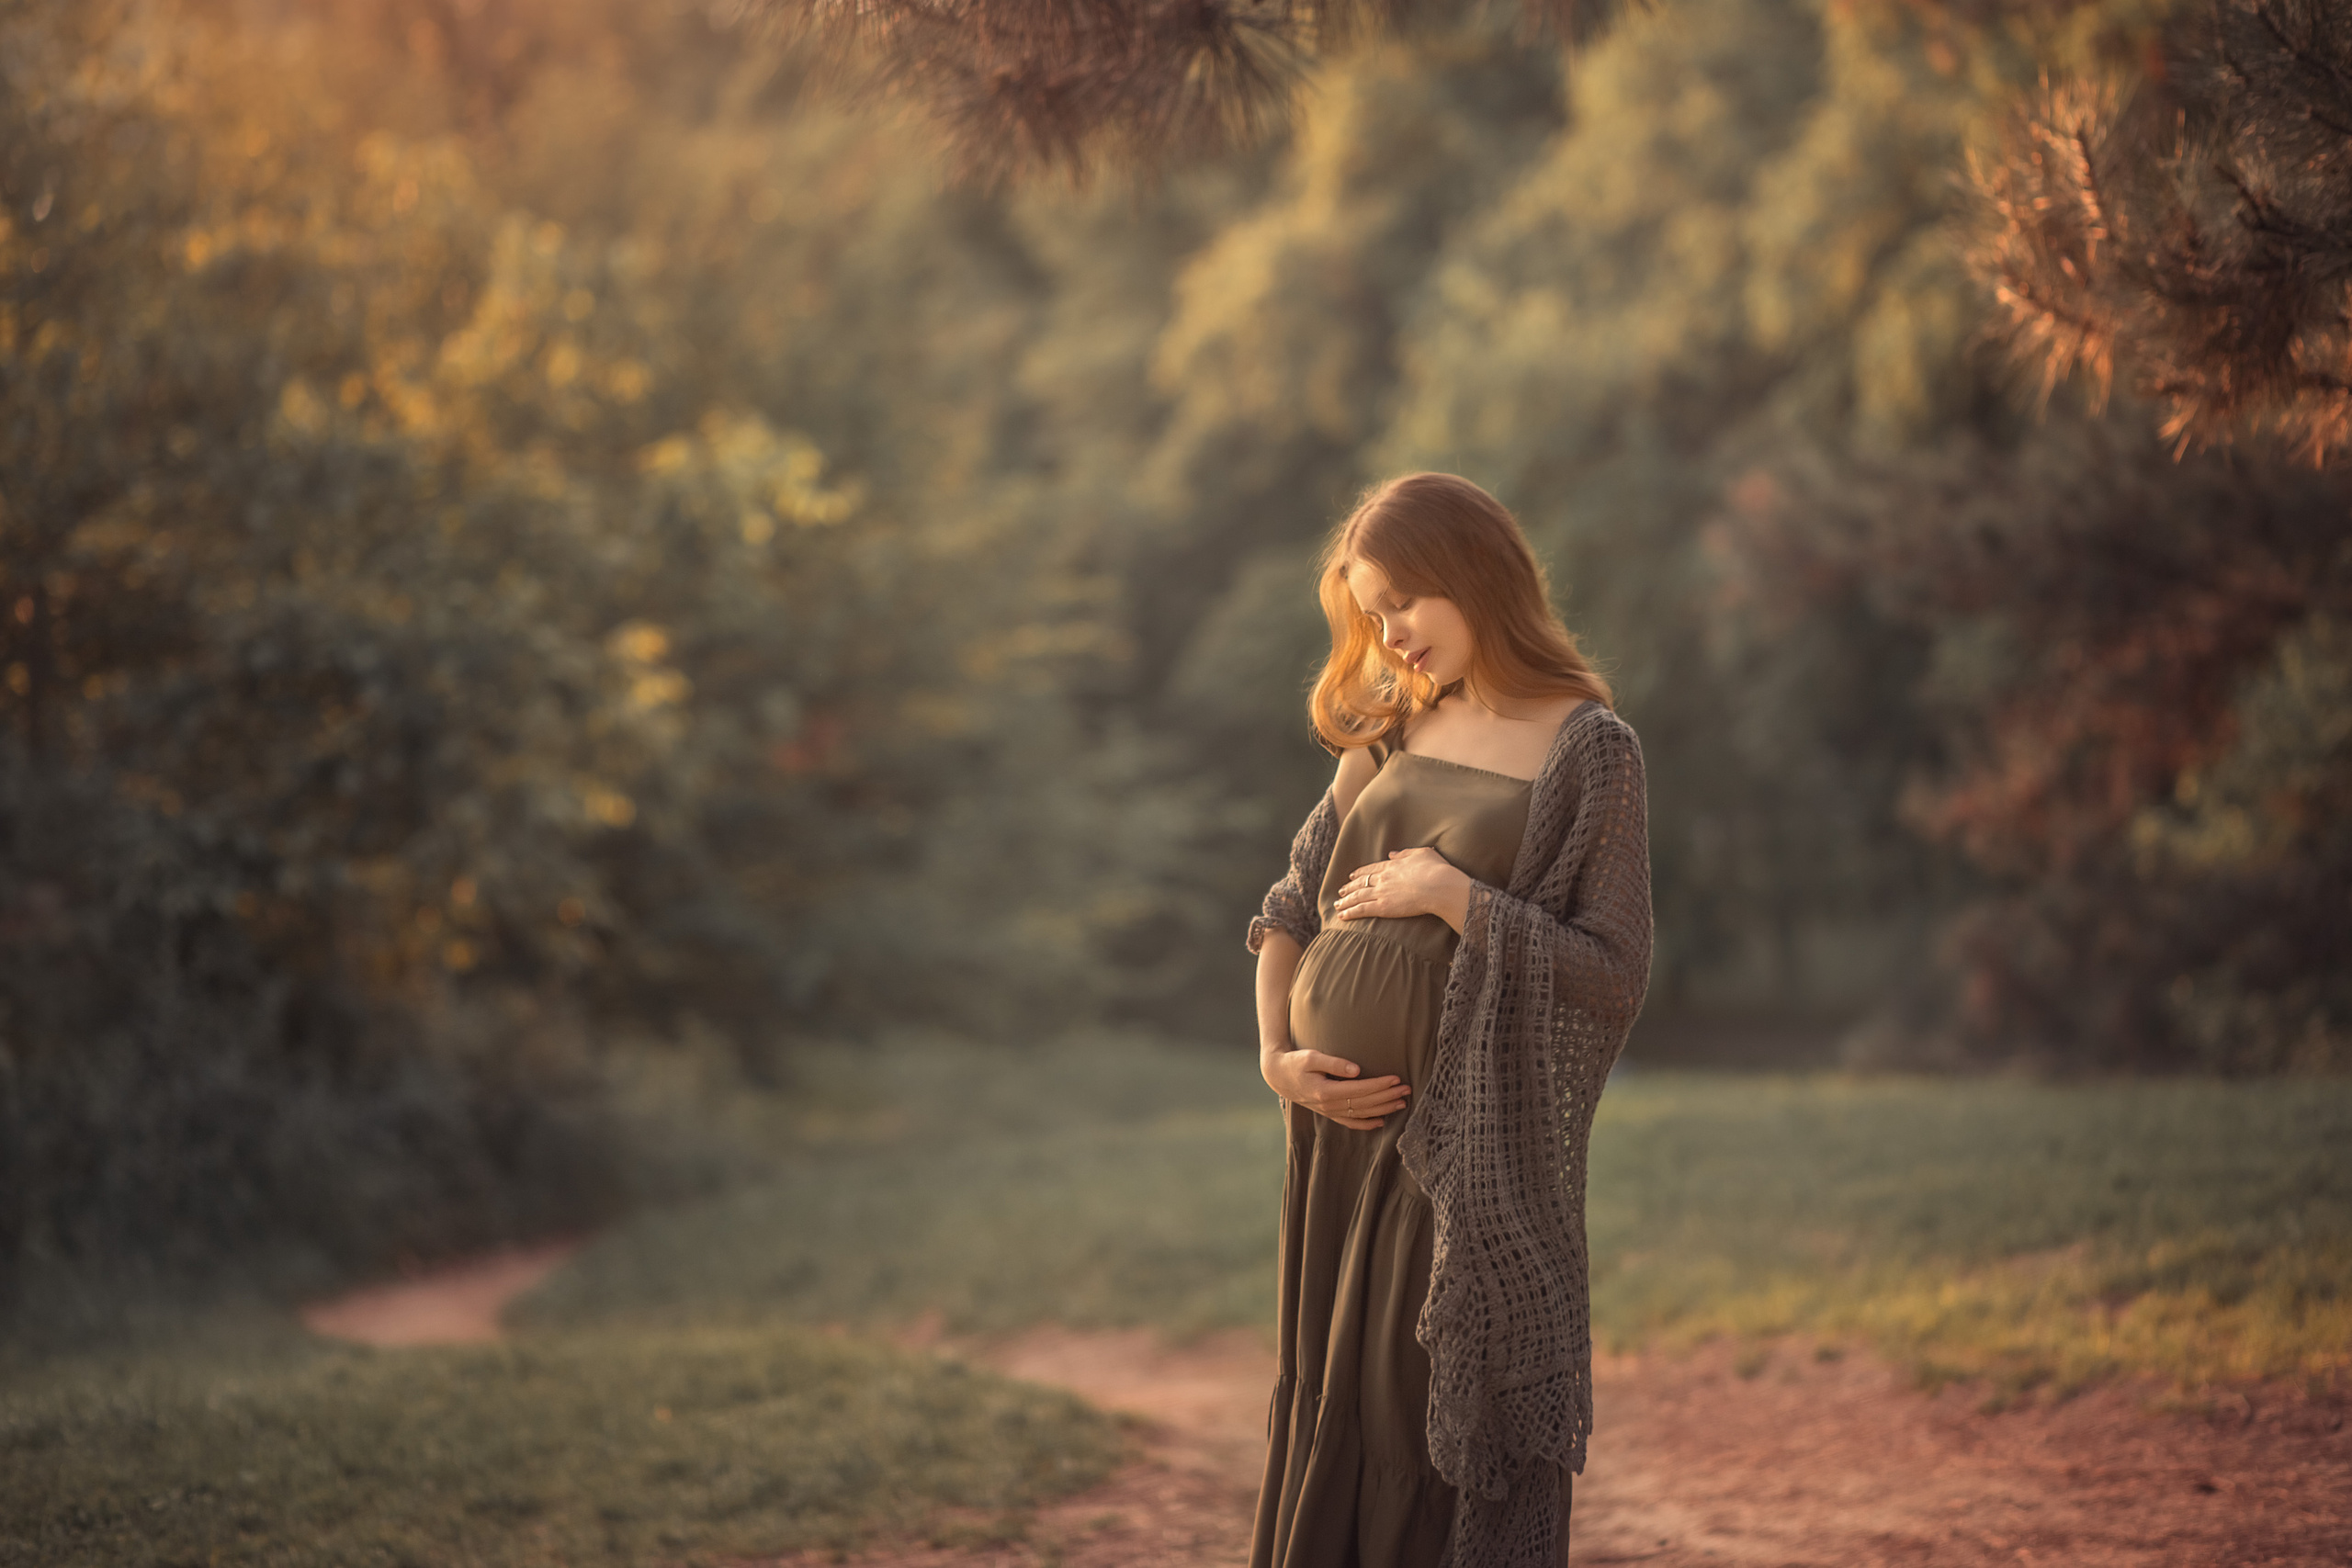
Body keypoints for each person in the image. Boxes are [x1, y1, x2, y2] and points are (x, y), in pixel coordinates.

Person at [1245, 472, 1654, 1568]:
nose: (1390, 636)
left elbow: (1612, 974)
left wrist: (1455, 897)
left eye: (1404, 606)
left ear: (1476, 577)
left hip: (1461, 1160)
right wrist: (1279, 1058)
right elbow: (1287, 908)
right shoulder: (1388, 728)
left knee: (1427, 1424)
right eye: (1370, 615)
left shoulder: (1588, 749)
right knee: (1336, 1408)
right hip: (1334, 1139)